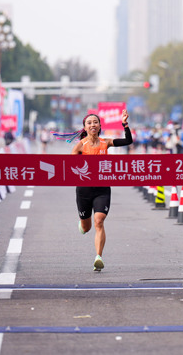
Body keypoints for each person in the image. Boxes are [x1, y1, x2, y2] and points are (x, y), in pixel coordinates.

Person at [70, 110, 133, 271]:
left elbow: (128, 140)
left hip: (102, 189)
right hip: (84, 190)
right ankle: (83, 224)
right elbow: (70, 167)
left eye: (95, 122)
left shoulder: (106, 142)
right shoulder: (80, 146)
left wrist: (124, 123)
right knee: (87, 227)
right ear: (85, 127)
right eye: (89, 122)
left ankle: (98, 257)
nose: (93, 124)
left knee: (99, 221)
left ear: (99, 126)